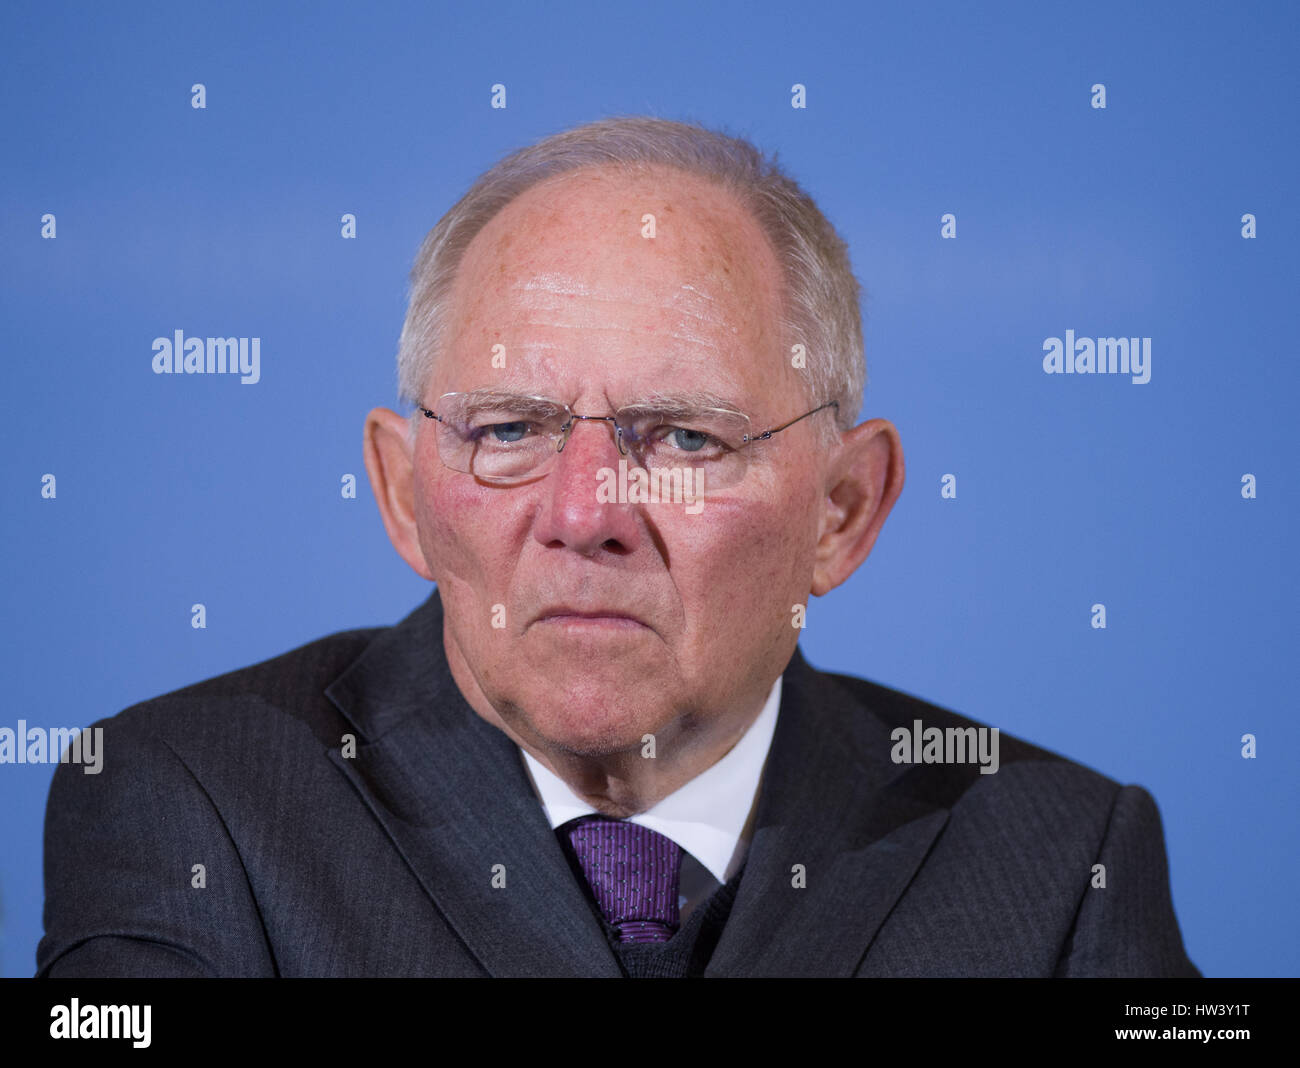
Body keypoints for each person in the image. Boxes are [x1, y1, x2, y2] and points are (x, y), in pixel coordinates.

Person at [37, 116, 1199, 977]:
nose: (586, 510)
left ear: (841, 511)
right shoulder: (192, 802)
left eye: (686, 436)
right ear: (403, 494)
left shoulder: (1058, 856)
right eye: (509, 430)